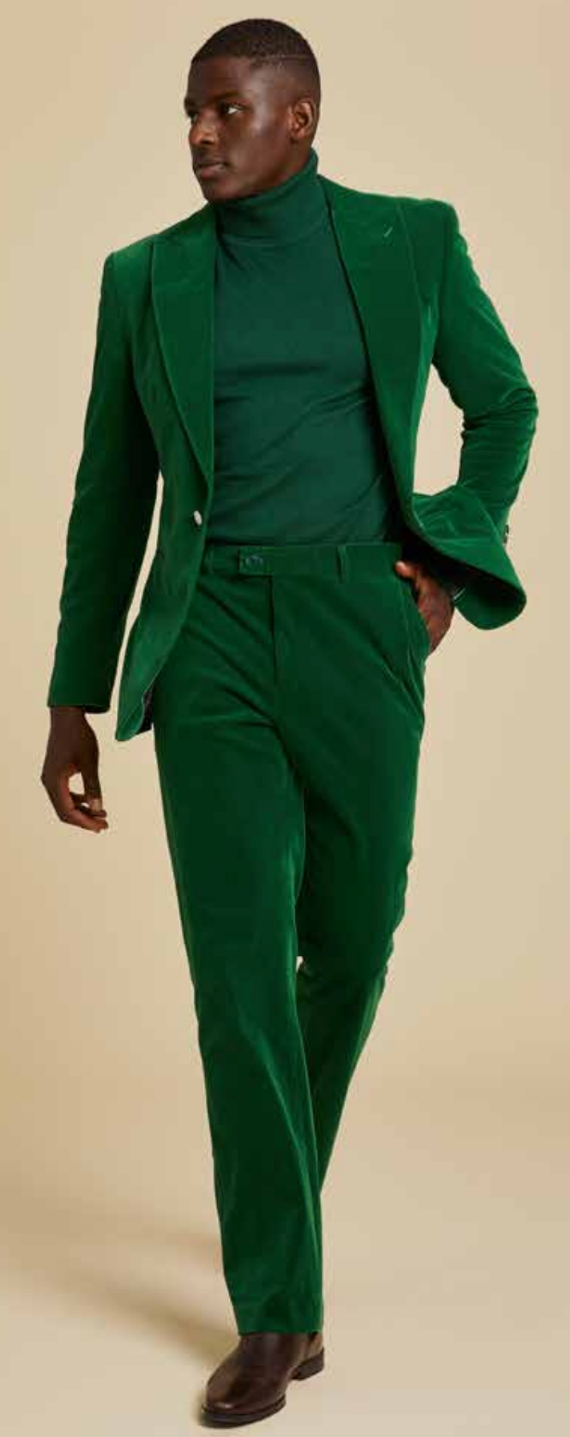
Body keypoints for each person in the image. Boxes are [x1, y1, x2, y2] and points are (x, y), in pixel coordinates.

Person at [41, 17, 539, 1428]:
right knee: (238, 966)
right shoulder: (146, 277)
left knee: (356, 936)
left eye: (227, 110)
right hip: (206, 638)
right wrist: (74, 695)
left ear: (298, 118)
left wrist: (447, 558)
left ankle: (275, 1201)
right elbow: (109, 492)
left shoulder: (406, 240)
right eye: (190, 113)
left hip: (357, 625)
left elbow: (504, 404)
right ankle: (276, 1309)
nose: (200, 135)